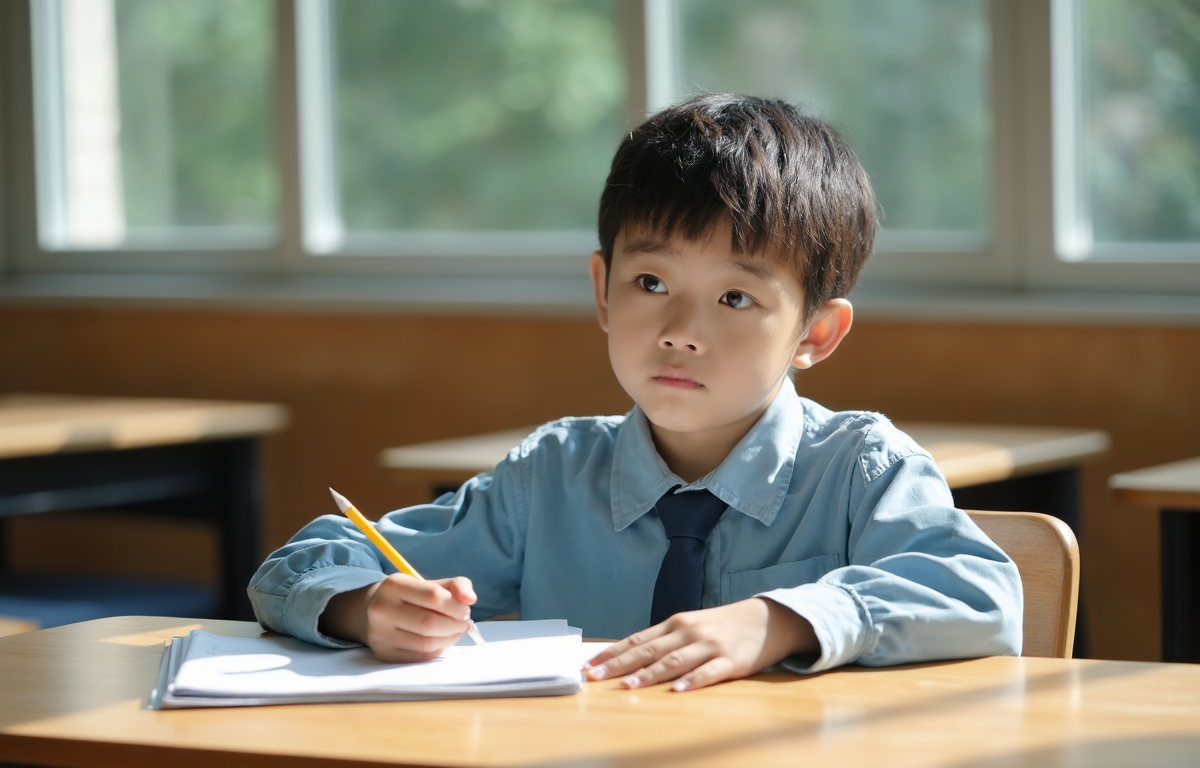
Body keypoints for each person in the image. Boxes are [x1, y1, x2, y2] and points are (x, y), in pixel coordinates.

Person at [248, 93, 1022, 692]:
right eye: (651, 282)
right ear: (604, 293)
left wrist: (782, 620)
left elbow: (983, 592)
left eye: (735, 299)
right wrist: (363, 608)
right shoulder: (549, 478)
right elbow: (306, 559)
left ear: (816, 334)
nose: (681, 331)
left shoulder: (859, 469)